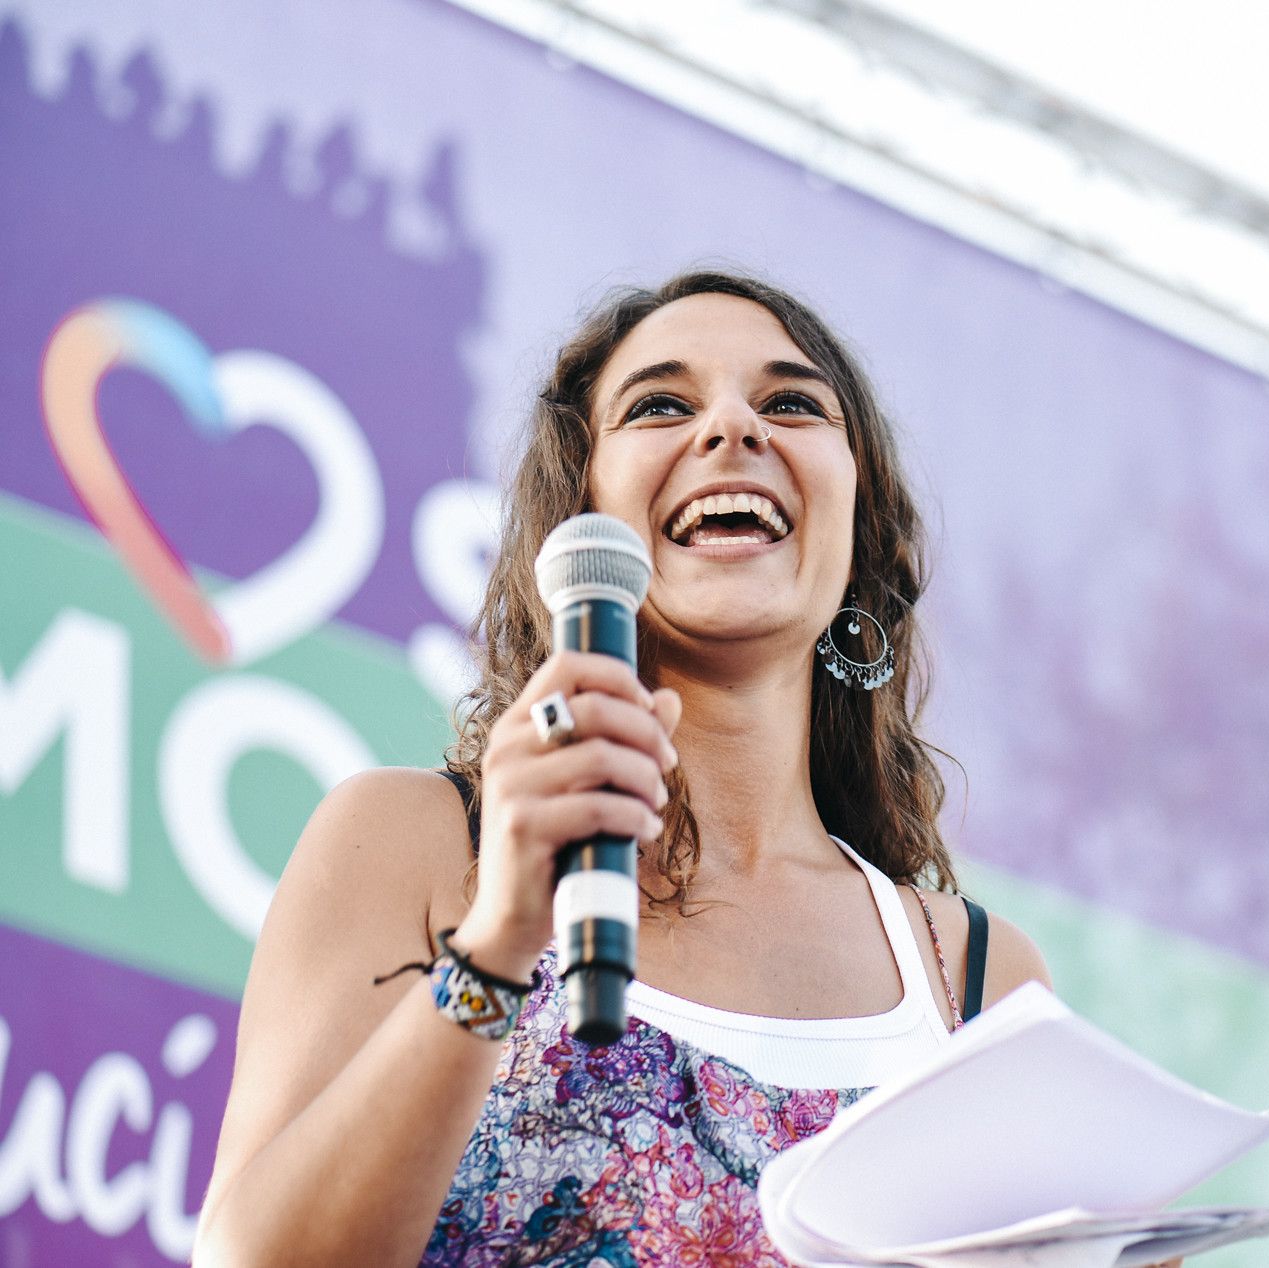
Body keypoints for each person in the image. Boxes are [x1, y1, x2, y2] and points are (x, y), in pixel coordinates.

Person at [192, 272, 1062, 1265]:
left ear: (856, 533)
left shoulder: (977, 979)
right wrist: (498, 943)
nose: (733, 426)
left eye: (790, 402)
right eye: (659, 406)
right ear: (580, 517)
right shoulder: (416, 844)